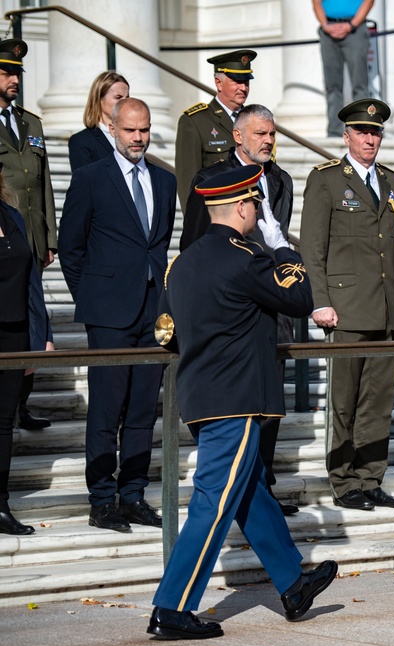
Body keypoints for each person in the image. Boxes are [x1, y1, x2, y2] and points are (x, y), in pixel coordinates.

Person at [147, 164, 336, 641]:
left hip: (202, 394)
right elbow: (301, 296)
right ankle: (172, 607)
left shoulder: (183, 262)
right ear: (242, 207)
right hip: (235, 397)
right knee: (212, 503)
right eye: (255, 204)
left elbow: (167, 331)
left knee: (249, 492)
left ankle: (292, 583)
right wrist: (283, 247)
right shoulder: (248, 257)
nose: (257, 210)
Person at [58, 98, 175, 532]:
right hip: (108, 314)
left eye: (144, 130)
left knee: (144, 408)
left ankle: (133, 495)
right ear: (113, 130)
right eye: (130, 131)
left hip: (152, 313)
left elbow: (158, 245)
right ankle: (102, 499)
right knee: (106, 409)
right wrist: (93, 297)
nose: (138, 138)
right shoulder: (91, 178)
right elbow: (71, 247)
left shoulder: (164, 181)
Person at [300, 98, 394, 511]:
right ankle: (343, 481)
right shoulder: (327, 180)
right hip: (346, 308)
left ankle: (371, 478)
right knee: (344, 401)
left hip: (387, 308)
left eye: (376, 132)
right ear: (346, 136)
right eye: (362, 132)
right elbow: (312, 248)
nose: (370, 139)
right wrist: (320, 302)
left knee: (378, 400)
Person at [178, 104, 298, 515]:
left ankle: (261, 485)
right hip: (229, 307)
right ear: (238, 136)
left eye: (271, 133)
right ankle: (239, 490)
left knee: (269, 404)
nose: (268, 140)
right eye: (260, 133)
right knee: (239, 403)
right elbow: (194, 247)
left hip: (272, 302)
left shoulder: (281, 180)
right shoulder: (211, 180)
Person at [0, 39, 56, 431]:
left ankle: (22, 402)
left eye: (17, 73)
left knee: (34, 320)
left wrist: (50, 236)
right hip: (4, 238)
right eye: (7, 72)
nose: (14, 79)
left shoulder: (30, 122)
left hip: (30, 238)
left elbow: (45, 183)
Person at [0, 167, 53, 536]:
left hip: (14, 335)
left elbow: (31, 283)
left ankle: (0, 505)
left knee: (3, 423)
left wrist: (41, 337)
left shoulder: (12, 215)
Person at [175, 50, 255, 212]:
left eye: (246, 81)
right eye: (236, 81)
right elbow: (188, 184)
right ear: (218, 83)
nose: (243, 88)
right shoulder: (195, 122)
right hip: (218, 219)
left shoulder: (255, 121)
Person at [312, 0, 373, 137]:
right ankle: (334, 131)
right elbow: (316, 3)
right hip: (328, 29)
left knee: (359, 84)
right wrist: (325, 25)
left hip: (355, 29)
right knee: (332, 85)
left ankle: (362, 128)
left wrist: (352, 24)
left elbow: (369, 1)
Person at [68, 71, 130, 172]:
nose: (124, 103)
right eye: (118, 97)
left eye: (127, 98)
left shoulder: (133, 136)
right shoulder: (81, 141)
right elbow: (85, 182)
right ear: (99, 99)